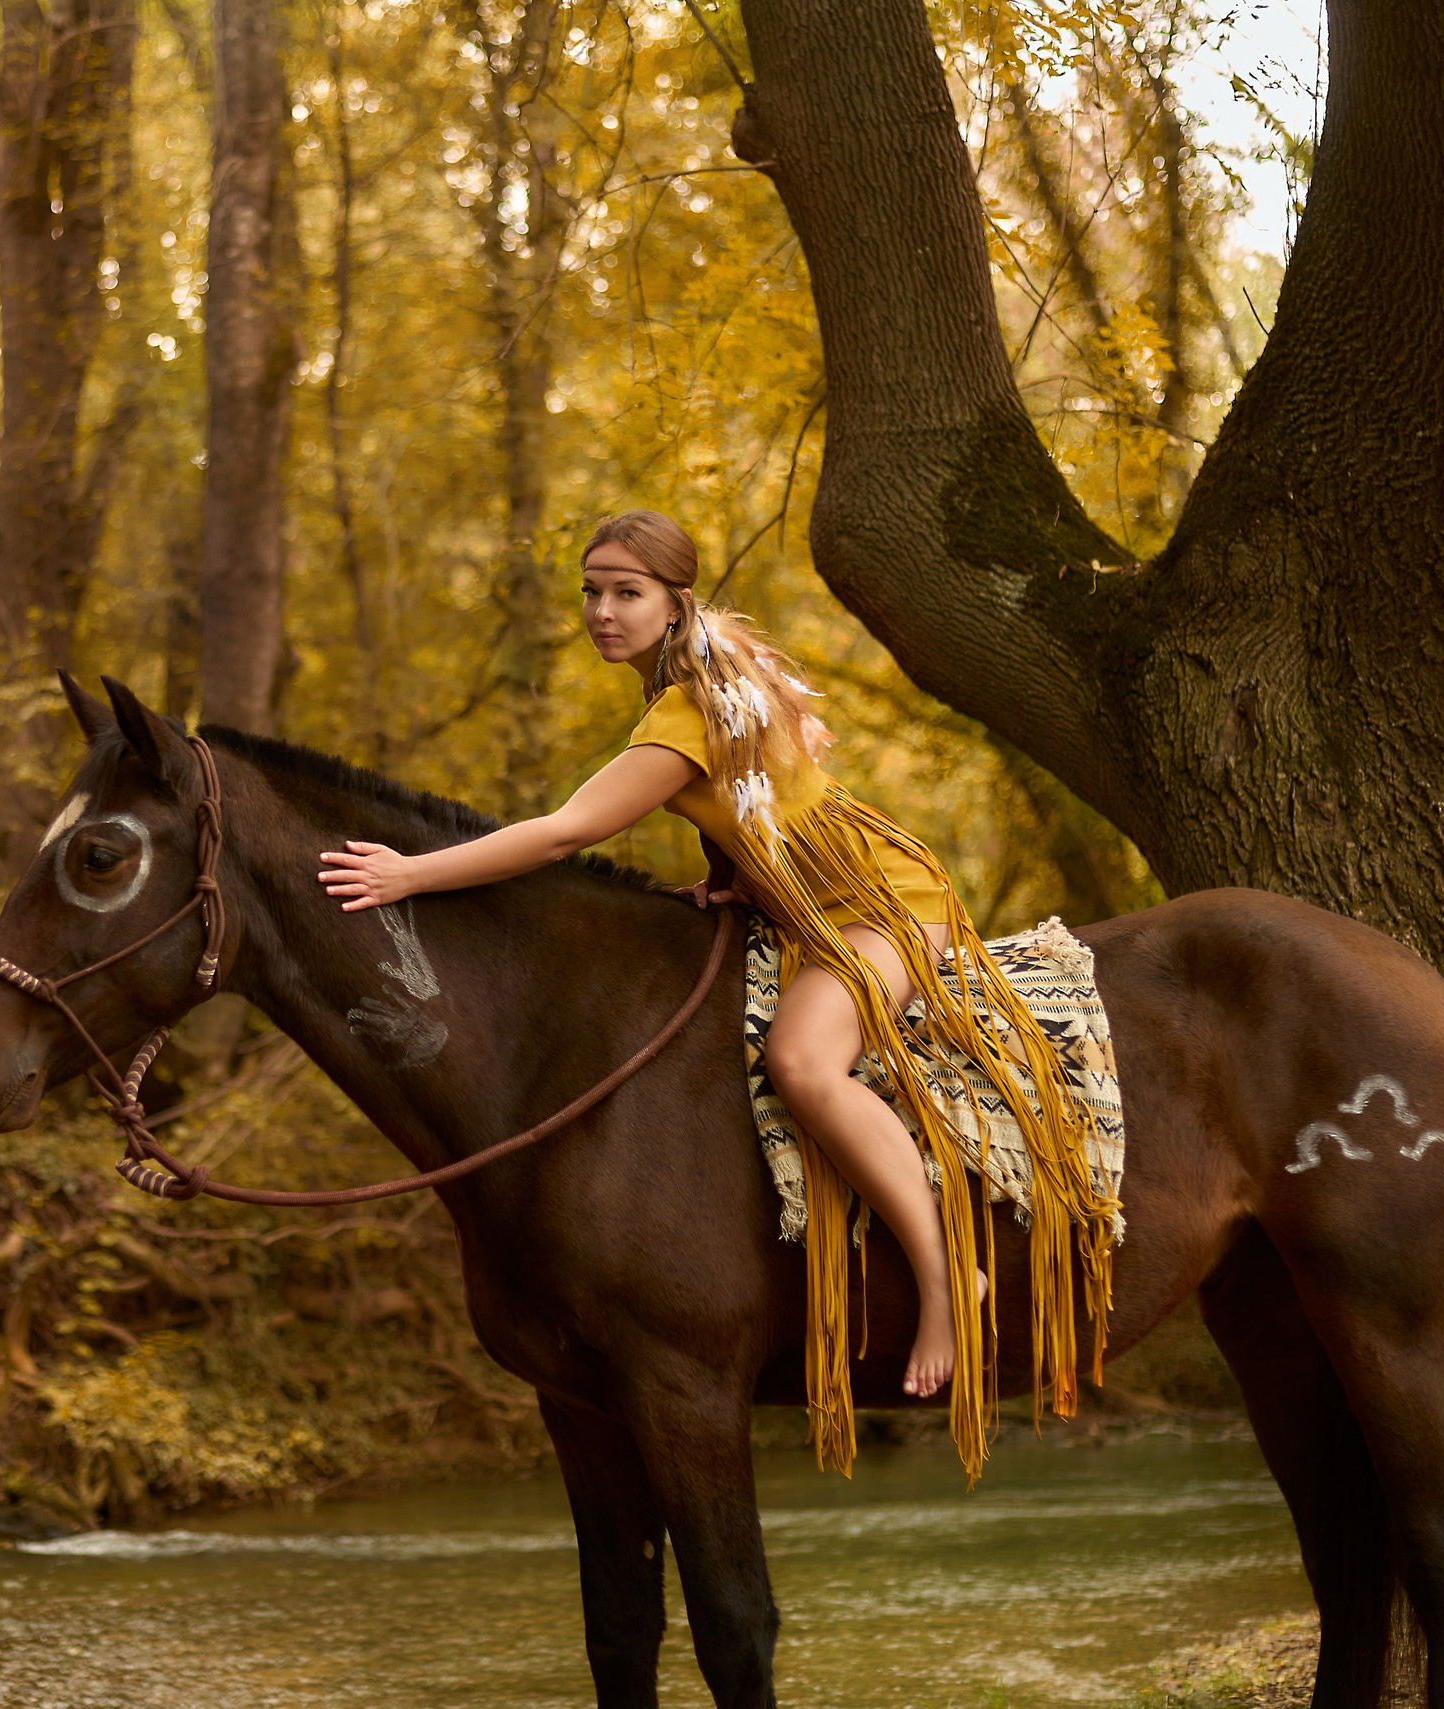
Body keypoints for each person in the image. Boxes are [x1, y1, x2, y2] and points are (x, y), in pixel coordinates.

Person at [316, 510, 1105, 1477]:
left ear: (673, 600)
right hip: (813, 900)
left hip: (877, 907)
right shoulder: (703, 680)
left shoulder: (684, 710)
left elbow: (565, 834)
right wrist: (733, 882)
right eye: (591, 590)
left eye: (626, 593)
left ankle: (951, 1275)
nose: (602, 611)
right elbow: (763, 797)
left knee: (805, 1064)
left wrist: (411, 876)